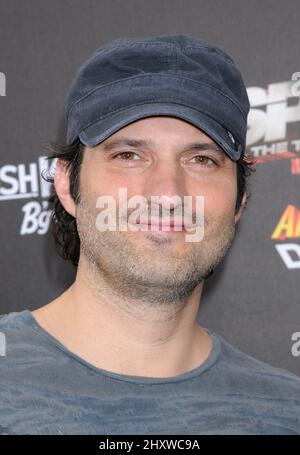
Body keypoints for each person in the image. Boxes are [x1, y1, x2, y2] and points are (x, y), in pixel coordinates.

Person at [0, 34, 299, 436]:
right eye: (129, 155)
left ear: (239, 201)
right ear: (68, 186)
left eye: (201, 159)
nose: (166, 193)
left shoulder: (286, 414)